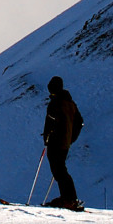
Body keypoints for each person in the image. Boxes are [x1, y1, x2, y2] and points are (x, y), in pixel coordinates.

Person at [42, 76, 84, 209]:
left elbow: (50, 123)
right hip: (65, 142)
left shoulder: (55, 103)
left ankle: (69, 199)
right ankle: (67, 198)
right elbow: (80, 122)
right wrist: (71, 138)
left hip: (55, 141)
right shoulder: (71, 103)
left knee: (59, 170)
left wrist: (47, 138)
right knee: (60, 169)